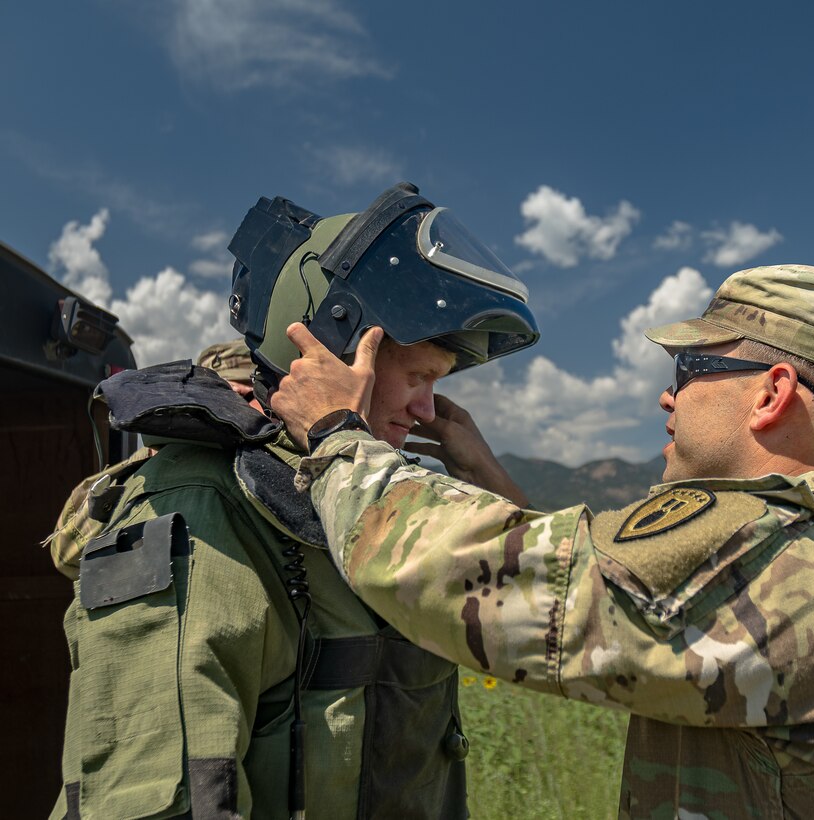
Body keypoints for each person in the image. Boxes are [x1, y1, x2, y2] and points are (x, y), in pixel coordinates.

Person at [271, 264, 814, 818]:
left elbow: (483, 584)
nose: (667, 399)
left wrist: (339, 437)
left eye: (689, 371)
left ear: (771, 393)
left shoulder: (793, 555)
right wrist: (481, 471)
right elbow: (609, 589)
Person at [51, 182, 538, 819]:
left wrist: (482, 470)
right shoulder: (203, 506)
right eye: (418, 377)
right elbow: (154, 798)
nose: (429, 409)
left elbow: (535, 604)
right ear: (333, 351)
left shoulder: (361, 493)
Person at [46, 338, 260, 580]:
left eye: (253, 397)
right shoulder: (150, 464)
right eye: (225, 397)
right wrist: (151, 466)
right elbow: (66, 556)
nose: (236, 411)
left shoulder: (282, 464)